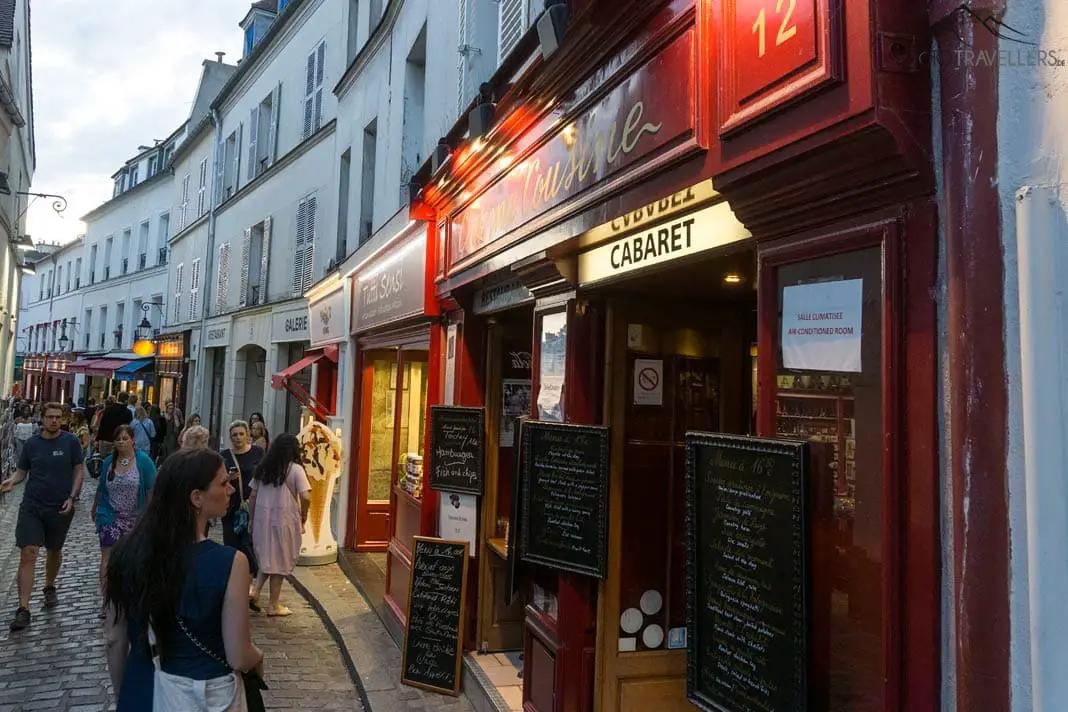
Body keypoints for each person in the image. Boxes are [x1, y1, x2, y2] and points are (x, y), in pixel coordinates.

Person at [104, 448, 264, 711]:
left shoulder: (126, 553)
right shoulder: (230, 563)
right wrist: (258, 657)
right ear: (196, 498)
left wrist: (128, 694)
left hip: (143, 688)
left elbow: (114, 638)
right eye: (224, 483)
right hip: (203, 695)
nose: (231, 490)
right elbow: (238, 655)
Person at [0, 402, 85, 631]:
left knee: (54, 550)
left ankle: (49, 586)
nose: (54, 421)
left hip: (59, 507)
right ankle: (23, 608)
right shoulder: (32, 445)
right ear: (43, 419)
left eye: (58, 417)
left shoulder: (71, 442)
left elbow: (78, 469)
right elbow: (22, 471)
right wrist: (12, 481)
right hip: (32, 506)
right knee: (29, 552)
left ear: (63, 419)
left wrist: (72, 495)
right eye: (50, 417)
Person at [92, 425, 156, 614]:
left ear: (132, 440)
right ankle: (107, 601)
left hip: (136, 517)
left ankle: (132, 597)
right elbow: (102, 488)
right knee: (107, 557)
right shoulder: (109, 462)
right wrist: (95, 507)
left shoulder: (144, 462)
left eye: (125, 438)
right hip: (110, 515)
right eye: (118, 439)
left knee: (134, 559)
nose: (121, 442)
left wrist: (151, 514)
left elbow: (151, 490)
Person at [249, 433, 310, 616]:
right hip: (285, 519)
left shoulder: (263, 468)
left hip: (263, 519)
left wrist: (252, 519)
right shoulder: (296, 470)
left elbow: (252, 496)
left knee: (268, 557)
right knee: (280, 559)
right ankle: (273, 605)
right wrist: (304, 515)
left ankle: (255, 592)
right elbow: (306, 495)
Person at [220, 421, 265, 582]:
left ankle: (248, 581)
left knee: (249, 545)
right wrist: (227, 478)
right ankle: (235, 581)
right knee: (231, 545)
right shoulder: (224, 456)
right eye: (234, 435)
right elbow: (215, 480)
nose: (238, 438)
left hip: (251, 507)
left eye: (241, 434)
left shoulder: (257, 453)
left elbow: (263, 476)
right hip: (230, 507)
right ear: (230, 437)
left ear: (247, 435)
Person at [97, 393, 134, 457]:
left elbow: (102, 425)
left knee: (104, 461)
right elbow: (129, 428)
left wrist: (98, 439)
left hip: (105, 439)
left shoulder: (108, 409)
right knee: (117, 461)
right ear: (126, 401)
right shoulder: (128, 412)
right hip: (119, 441)